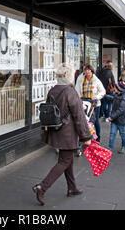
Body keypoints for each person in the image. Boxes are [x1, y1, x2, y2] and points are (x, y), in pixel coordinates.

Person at [32, 63, 92, 205]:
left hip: (55, 130)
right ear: (68, 76)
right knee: (64, 161)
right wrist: (86, 137)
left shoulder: (52, 90)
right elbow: (79, 116)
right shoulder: (71, 92)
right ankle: (42, 187)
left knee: (68, 159)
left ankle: (72, 188)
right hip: (68, 134)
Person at [76, 64, 106, 142]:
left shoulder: (96, 80)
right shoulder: (80, 79)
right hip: (84, 104)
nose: (87, 72)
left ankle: (98, 136)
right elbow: (77, 90)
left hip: (94, 104)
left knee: (95, 121)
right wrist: (78, 97)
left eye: (89, 70)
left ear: (92, 71)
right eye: (86, 70)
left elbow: (103, 91)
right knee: (85, 121)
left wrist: (97, 97)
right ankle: (87, 137)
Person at [106, 81, 125, 154]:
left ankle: (124, 146)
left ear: (119, 89)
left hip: (121, 120)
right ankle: (110, 147)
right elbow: (112, 98)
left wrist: (111, 117)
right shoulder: (117, 94)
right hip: (115, 119)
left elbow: (121, 110)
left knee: (122, 133)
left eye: (115, 87)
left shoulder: (124, 99)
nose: (114, 88)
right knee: (112, 133)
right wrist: (105, 96)